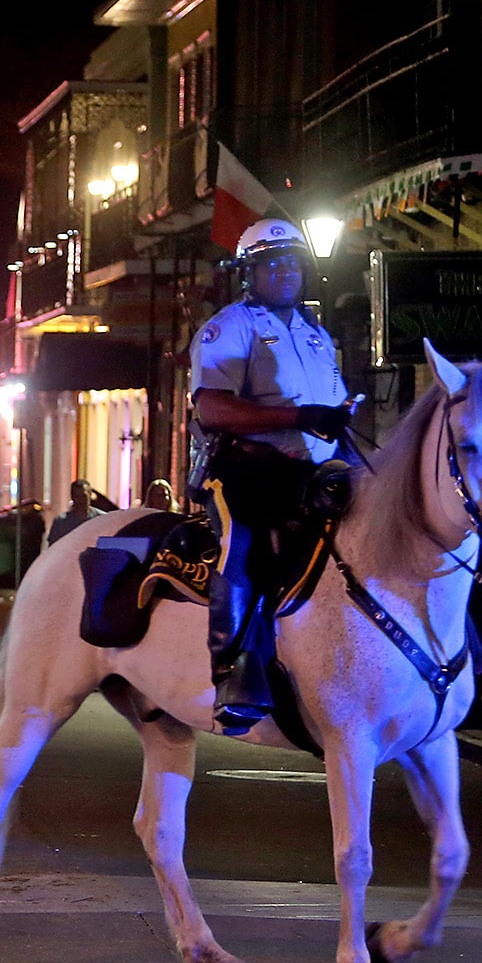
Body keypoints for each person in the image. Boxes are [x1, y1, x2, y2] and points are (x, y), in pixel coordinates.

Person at [191, 217, 355, 732]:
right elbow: (214, 409)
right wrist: (298, 417)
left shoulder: (316, 335)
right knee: (241, 550)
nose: (287, 272)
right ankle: (233, 671)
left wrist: (336, 417)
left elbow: (325, 405)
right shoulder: (228, 329)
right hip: (245, 475)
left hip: (313, 472)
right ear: (249, 272)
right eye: (273, 264)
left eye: (293, 263)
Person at [47, 480, 98, 546]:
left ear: (90, 494)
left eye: (83, 496)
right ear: (72, 497)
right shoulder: (60, 522)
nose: (80, 500)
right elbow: (53, 548)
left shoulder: (101, 519)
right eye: (76, 496)